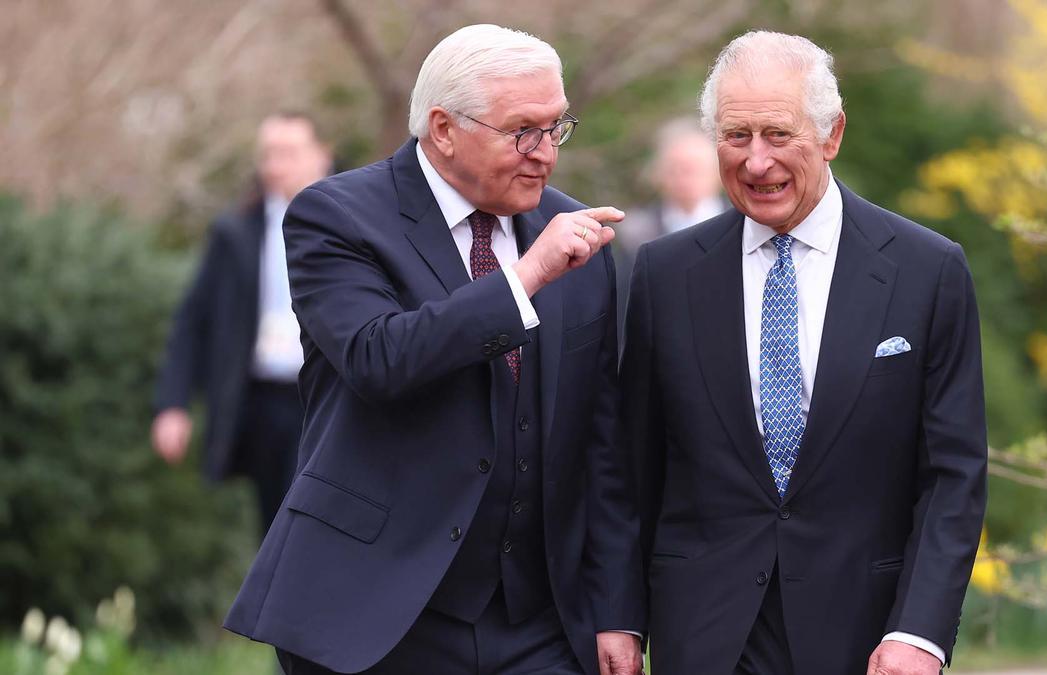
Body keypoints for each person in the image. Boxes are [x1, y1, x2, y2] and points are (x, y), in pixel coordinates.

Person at [223, 24, 645, 675]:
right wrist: (525, 277)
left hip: (539, 624)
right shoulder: (336, 215)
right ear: (444, 129)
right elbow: (380, 358)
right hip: (375, 616)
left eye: (556, 128)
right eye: (521, 131)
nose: (544, 153)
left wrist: (618, 607)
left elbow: (601, 443)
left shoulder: (576, 240)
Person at [621, 31, 987, 675]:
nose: (756, 162)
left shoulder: (927, 271)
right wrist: (618, 613)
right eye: (736, 137)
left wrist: (920, 633)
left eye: (778, 134)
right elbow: (629, 465)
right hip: (702, 634)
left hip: (868, 638)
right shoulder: (663, 273)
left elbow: (953, 477)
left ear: (832, 135)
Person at [152, 112, 332, 535]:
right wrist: (172, 404)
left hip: (329, 396)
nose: (274, 165)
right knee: (276, 527)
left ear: (322, 156)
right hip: (265, 401)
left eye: (288, 153)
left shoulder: (358, 220)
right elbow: (194, 319)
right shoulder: (235, 232)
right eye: (267, 154)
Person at [614, 119, 724, 333]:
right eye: (677, 169)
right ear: (659, 174)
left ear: (717, 172)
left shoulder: (745, 225)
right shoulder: (637, 234)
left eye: (694, 169)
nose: (685, 179)